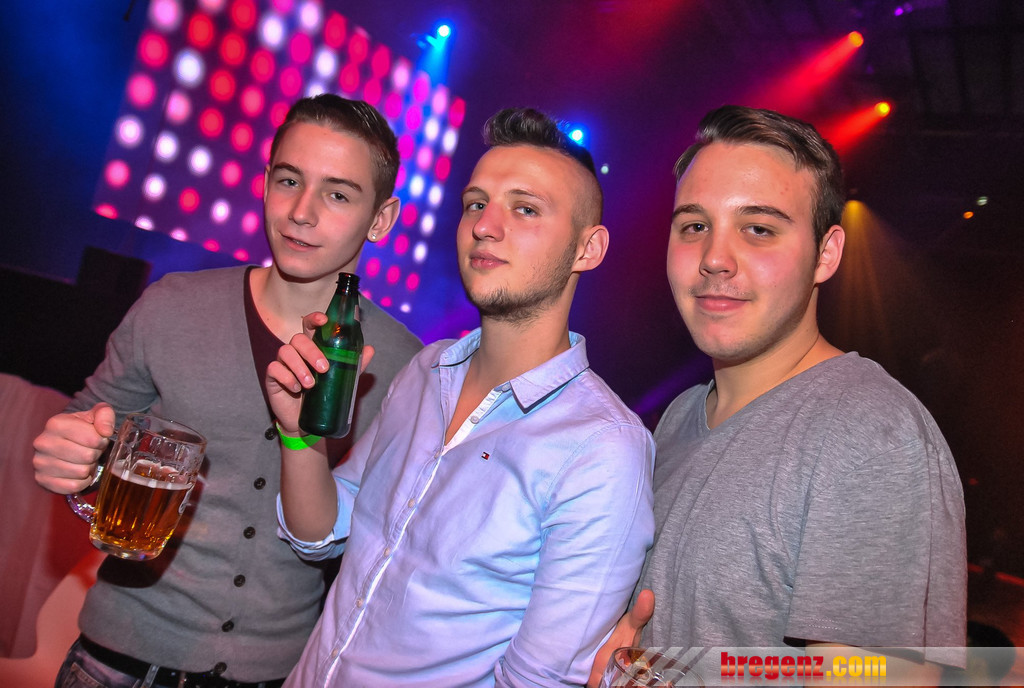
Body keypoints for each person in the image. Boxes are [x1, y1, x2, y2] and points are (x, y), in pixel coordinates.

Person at [31, 94, 423, 688]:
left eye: (338, 194)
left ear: (381, 219)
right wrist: (72, 460)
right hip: (114, 662)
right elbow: (90, 430)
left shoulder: (402, 364)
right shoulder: (172, 307)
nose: (302, 212)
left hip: (275, 674)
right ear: (264, 184)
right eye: (289, 181)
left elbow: (381, 547)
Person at [267, 108, 655, 687]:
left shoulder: (603, 450)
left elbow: (538, 680)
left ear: (588, 248)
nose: (485, 226)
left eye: (525, 209)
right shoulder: (426, 370)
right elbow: (321, 531)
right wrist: (298, 436)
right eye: (476, 204)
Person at [591, 104, 966, 685]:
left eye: (759, 229)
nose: (715, 259)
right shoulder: (682, 416)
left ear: (826, 253)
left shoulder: (868, 429)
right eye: (694, 226)